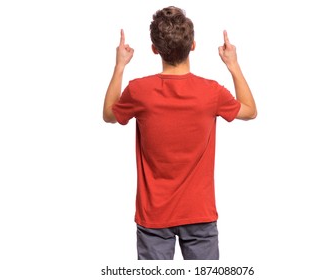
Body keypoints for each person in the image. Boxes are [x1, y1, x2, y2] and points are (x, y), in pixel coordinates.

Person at [102, 6, 257, 260]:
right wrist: (233, 64)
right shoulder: (211, 92)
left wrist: (119, 66)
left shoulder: (139, 91)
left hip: (154, 216)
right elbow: (250, 111)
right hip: (200, 213)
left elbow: (109, 114)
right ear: (193, 45)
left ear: (155, 49)